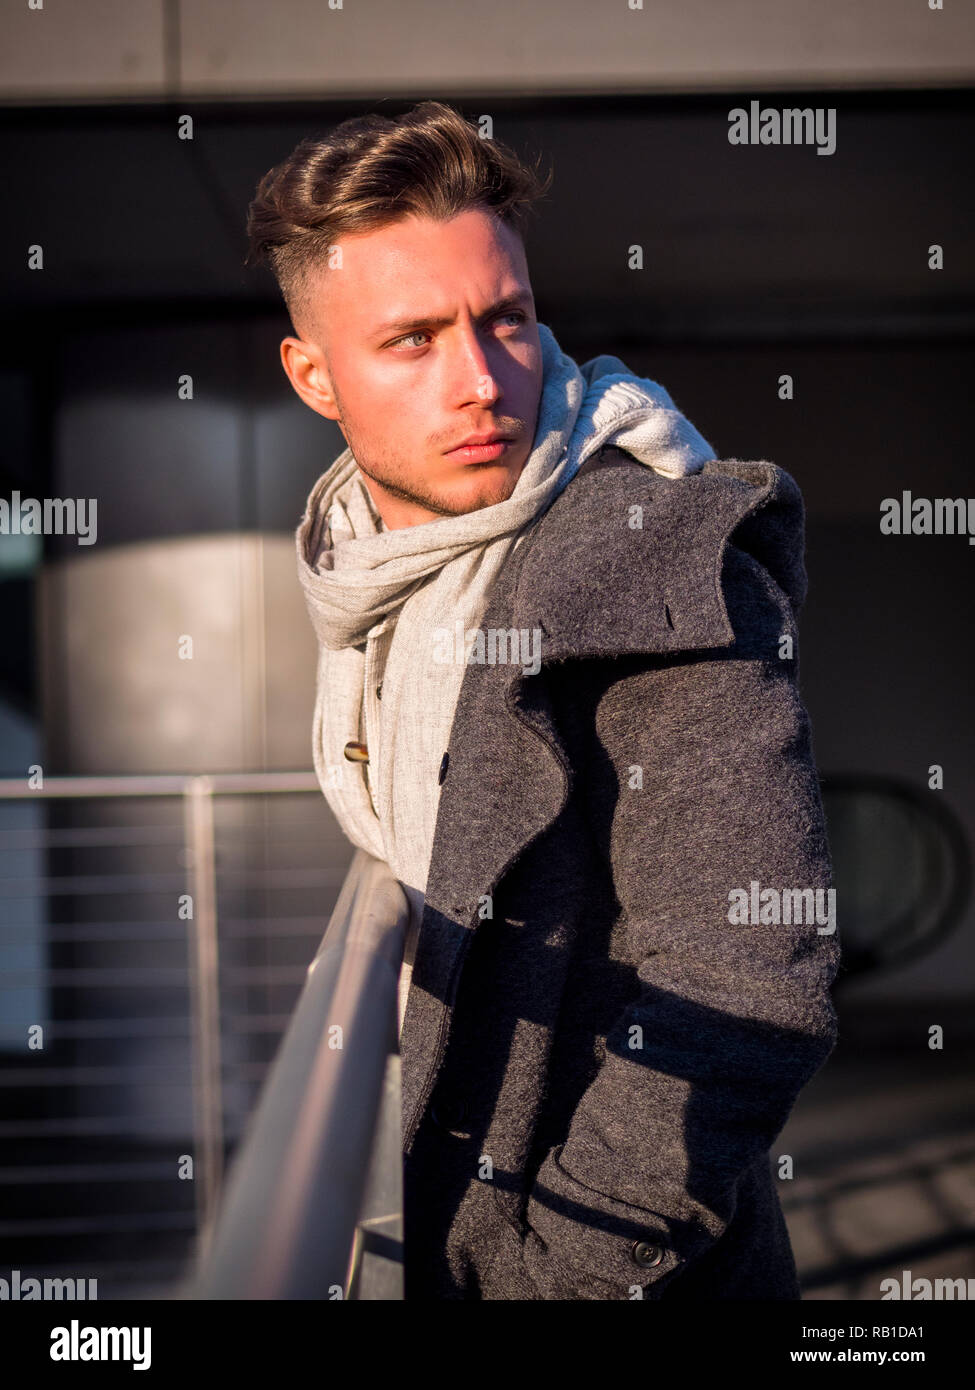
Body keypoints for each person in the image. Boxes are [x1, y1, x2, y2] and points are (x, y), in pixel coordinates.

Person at [245, 99, 841, 1300]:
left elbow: (747, 976)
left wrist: (554, 1273)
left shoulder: (651, 561)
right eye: (411, 339)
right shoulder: (364, 569)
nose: (481, 380)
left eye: (506, 319)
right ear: (315, 376)